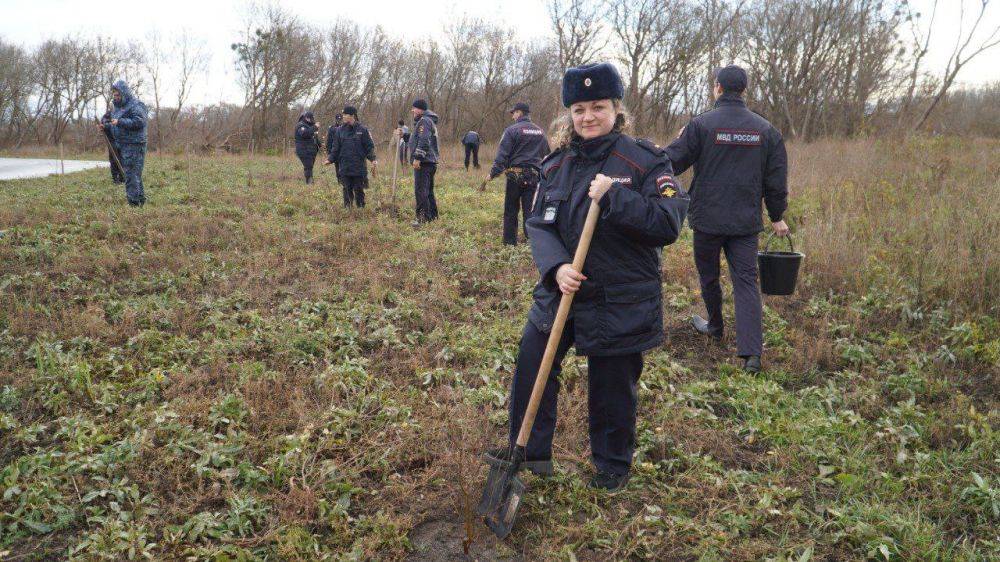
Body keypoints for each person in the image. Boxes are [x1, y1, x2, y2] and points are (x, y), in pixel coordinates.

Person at [484, 63, 689, 492]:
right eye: (579, 109)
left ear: (616, 108)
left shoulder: (646, 161)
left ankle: (611, 466)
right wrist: (556, 267)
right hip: (563, 291)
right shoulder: (556, 164)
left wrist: (616, 196)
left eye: (598, 107)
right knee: (532, 366)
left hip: (620, 297)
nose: (588, 117)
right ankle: (531, 454)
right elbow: (539, 223)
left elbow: (668, 222)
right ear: (569, 114)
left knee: (611, 387)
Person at [665, 65, 788, 374]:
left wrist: (646, 154)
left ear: (717, 87)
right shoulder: (767, 130)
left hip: (707, 219)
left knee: (708, 276)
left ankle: (716, 326)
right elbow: (776, 180)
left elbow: (671, 162)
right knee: (746, 282)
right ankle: (752, 355)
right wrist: (776, 216)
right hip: (745, 222)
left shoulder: (701, 125)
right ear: (743, 90)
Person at [487, 102, 551, 245]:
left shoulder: (511, 130)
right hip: (534, 177)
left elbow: (502, 155)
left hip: (515, 176)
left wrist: (493, 173)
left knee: (511, 210)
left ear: (520, 113)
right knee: (530, 211)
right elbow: (547, 156)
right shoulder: (540, 132)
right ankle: (532, 242)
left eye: (514, 113)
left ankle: (510, 243)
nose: (513, 116)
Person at [97, 80, 147, 207]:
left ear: (124, 93)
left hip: (135, 145)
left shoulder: (136, 105)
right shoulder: (118, 107)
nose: (116, 97)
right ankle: (140, 201)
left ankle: (134, 205)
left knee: (130, 176)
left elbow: (139, 122)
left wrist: (120, 122)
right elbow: (116, 123)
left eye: (118, 95)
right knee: (134, 175)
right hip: (123, 145)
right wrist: (106, 127)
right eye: (114, 95)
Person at [326, 105, 377, 208]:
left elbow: (368, 146)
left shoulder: (362, 130)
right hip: (344, 165)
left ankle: (361, 208)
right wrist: (330, 159)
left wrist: (373, 159)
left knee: (358, 189)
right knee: (346, 188)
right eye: (343, 114)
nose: (343, 116)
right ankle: (348, 209)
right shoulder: (339, 131)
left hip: (358, 166)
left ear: (352, 116)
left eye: (345, 114)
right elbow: (335, 148)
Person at [407, 99, 440, 225]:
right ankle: (432, 216)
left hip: (424, 162)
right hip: (430, 162)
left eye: (414, 108)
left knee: (421, 190)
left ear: (420, 109)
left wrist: (417, 158)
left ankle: (422, 218)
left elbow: (424, 141)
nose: (412, 110)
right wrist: (405, 136)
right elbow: (418, 138)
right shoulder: (428, 121)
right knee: (428, 191)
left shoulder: (424, 121)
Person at [294, 111, 322, 184]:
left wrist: (320, 145)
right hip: (303, 150)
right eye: (311, 119)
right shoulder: (300, 126)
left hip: (311, 150)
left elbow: (314, 137)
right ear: (306, 118)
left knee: (310, 166)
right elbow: (305, 134)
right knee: (308, 166)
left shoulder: (310, 125)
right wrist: (315, 127)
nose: (312, 121)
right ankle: (309, 183)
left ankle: (310, 182)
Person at [100, 108, 124, 184]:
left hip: (122, 140)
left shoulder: (122, 112)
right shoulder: (107, 115)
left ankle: (122, 177)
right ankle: (115, 178)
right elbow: (105, 124)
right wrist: (105, 126)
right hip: (112, 141)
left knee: (123, 159)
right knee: (114, 160)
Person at [326, 113, 343, 180]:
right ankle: (339, 180)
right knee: (337, 166)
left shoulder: (346, 127)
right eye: (338, 119)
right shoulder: (332, 128)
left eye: (340, 119)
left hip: (344, 149)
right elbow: (329, 140)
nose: (339, 121)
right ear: (335, 120)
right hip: (335, 149)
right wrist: (329, 150)